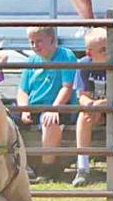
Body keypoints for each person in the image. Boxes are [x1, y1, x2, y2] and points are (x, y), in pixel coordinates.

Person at [16, 26, 78, 182]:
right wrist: (24, 109)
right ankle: (20, 165)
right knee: (4, 120)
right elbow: (22, 91)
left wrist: (54, 108)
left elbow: (67, 87)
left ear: (52, 40)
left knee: (50, 120)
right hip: (34, 106)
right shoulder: (31, 61)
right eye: (32, 42)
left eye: (39, 41)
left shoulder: (65, 55)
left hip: (60, 105)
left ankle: (47, 169)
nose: (35, 46)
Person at [72, 27, 108, 187]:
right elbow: (82, 95)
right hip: (94, 109)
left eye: (108, 48)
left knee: (93, 111)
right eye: (102, 50)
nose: (107, 52)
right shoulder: (84, 65)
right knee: (84, 115)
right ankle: (82, 166)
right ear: (89, 53)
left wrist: (101, 104)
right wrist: (91, 104)